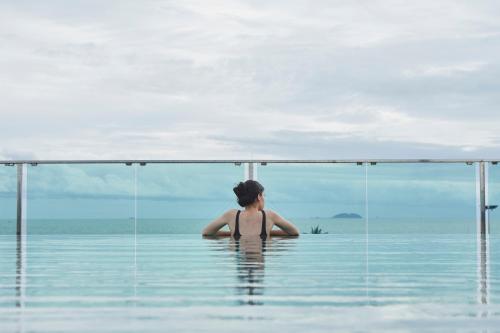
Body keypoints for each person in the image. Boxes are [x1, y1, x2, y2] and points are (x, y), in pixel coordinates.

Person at [202, 180, 300, 238]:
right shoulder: (269, 216)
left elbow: (206, 232)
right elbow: (294, 232)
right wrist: (269, 233)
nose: (264, 199)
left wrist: (231, 233)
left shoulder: (231, 215)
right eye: (263, 195)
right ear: (259, 196)